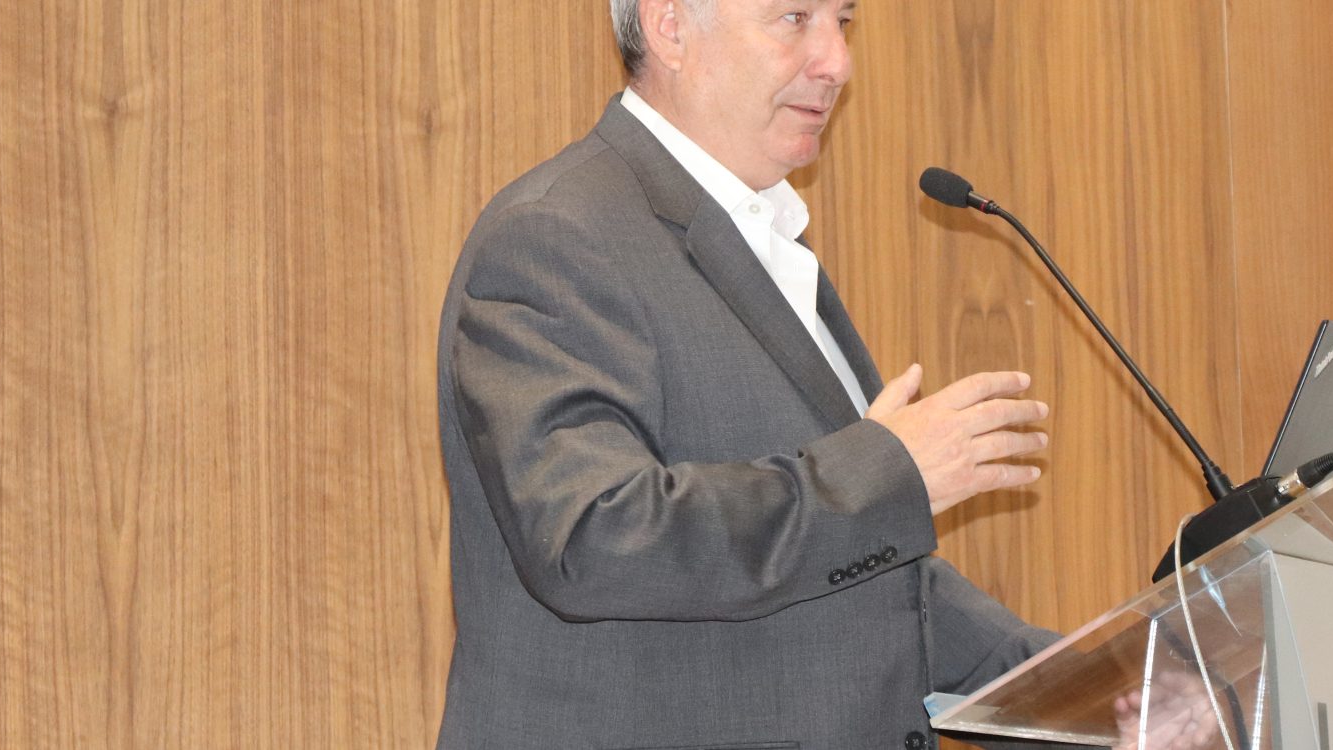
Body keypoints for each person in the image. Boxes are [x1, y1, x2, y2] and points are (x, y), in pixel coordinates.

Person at [433, 1, 1218, 747]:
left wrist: (1098, 699)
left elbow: (874, 581)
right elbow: (594, 537)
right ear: (670, 26)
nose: (837, 61)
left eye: (842, 21)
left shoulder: (762, 243)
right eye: (794, 18)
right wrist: (885, 474)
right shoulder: (556, 236)